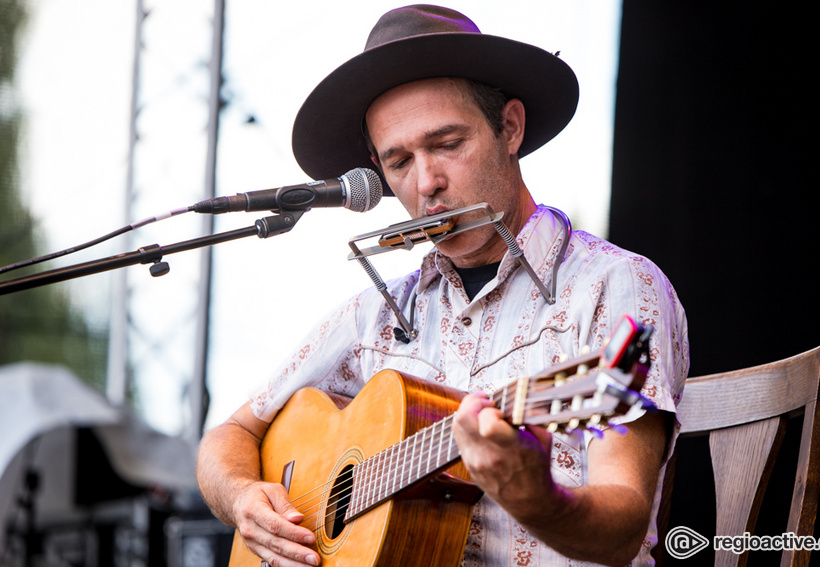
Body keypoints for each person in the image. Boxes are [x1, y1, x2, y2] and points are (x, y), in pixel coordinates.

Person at [196, 5, 689, 566]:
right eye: (398, 161)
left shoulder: (615, 287)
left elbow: (623, 528)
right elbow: (230, 434)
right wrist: (242, 498)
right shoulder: (376, 315)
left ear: (510, 127)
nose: (425, 183)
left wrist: (540, 499)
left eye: (447, 143)